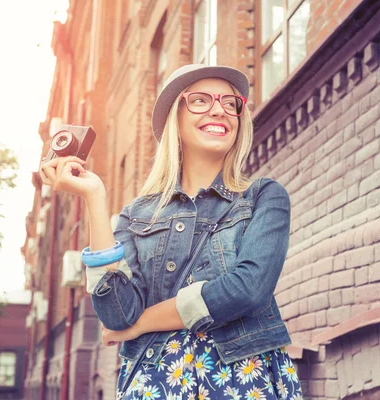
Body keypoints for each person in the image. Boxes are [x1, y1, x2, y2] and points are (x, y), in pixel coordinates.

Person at [39, 64, 303, 400]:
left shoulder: (263, 197)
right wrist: (94, 197)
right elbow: (117, 315)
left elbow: (248, 289)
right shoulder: (137, 216)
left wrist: (144, 323)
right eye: (200, 100)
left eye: (229, 102)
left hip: (241, 379)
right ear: (174, 119)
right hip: (155, 380)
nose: (219, 110)